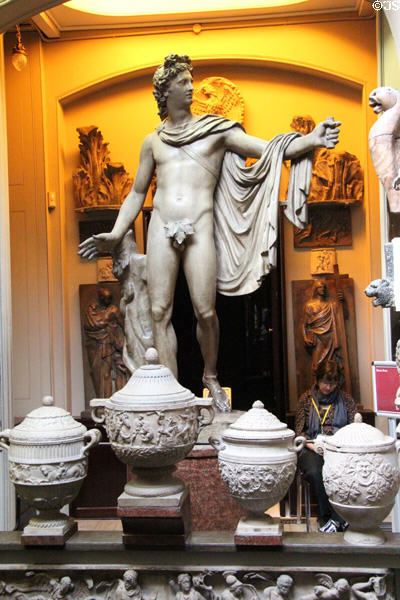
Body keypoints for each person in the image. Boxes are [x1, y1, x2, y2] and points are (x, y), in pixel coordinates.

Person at [79, 53, 340, 411]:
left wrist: (310, 140)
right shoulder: (152, 142)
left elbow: (270, 151)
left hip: (200, 226)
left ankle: (210, 376)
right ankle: (169, 392)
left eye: (190, 81)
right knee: (159, 311)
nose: (191, 87)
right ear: (165, 91)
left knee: (205, 312)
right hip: (161, 226)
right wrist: (116, 232)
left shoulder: (217, 130)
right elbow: (138, 193)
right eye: (183, 82)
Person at [295, 360, 356, 533]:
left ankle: (338, 518)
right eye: (325, 382)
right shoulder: (306, 399)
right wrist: (316, 447)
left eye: (332, 383)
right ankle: (327, 516)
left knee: (344, 469)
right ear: (317, 380)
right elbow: (299, 432)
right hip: (312, 447)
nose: (328, 387)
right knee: (316, 471)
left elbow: (353, 427)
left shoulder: (346, 400)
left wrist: (337, 445)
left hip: (339, 448)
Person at [83, 287, 129, 397]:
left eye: (109, 298)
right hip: (95, 347)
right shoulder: (92, 310)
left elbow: (124, 327)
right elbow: (90, 326)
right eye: (104, 298)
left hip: (108, 345)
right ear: (100, 298)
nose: (107, 301)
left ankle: (108, 400)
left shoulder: (113, 310)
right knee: (97, 374)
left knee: (107, 373)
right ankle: (101, 400)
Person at [302, 280, 345, 377]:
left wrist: (342, 302)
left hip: (330, 338)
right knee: (317, 365)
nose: (323, 289)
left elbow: (343, 316)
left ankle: (331, 385)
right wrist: (305, 337)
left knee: (331, 365)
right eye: (320, 287)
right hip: (318, 338)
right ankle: (317, 387)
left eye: (324, 287)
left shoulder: (331, 305)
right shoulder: (310, 306)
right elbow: (304, 324)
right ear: (316, 289)